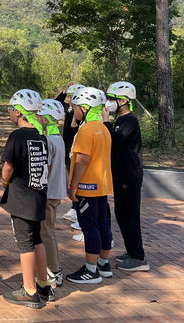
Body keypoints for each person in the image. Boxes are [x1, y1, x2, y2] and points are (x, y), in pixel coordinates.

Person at [0, 89, 52, 309]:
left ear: (19, 112)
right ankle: (43, 285)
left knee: (25, 243)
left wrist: (4, 183)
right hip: (38, 196)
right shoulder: (41, 136)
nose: (10, 113)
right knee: (37, 239)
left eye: (11, 109)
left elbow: (8, 167)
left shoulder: (17, 136)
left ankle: (29, 291)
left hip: (21, 200)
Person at [66, 87, 114, 285]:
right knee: (103, 223)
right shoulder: (103, 128)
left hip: (87, 186)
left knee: (90, 227)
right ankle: (103, 263)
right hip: (102, 185)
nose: (74, 110)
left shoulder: (86, 130)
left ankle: (91, 270)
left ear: (85, 108)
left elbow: (82, 161)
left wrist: (73, 186)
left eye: (76, 107)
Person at [103, 81, 149, 272]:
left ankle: (139, 258)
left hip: (129, 177)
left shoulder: (130, 121)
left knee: (130, 215)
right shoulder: (120, 120)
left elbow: (115, 140)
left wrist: (105, 122)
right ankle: (131, 251)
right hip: (121, 176)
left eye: (112, 99)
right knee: (121, 214)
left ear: (123, 100)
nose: (109, 102)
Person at [38, 99, 68, 288]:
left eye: (41, 115)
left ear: (48, 119)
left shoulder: (49, 141)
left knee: (46, 232)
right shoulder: (58, 138)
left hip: (49, 193)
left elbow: (45, 169)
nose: (38, 118)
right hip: (56, 191)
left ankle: (55, 271)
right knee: (47, 230)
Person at [56, 83, 84, 223]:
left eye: (71, 97)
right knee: (70, 179)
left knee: (75, 180)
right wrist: (64, 91)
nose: (69, 100)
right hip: (66, 149)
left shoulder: (80, 112)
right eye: (68, 96)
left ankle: (77, 208)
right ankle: (75, 207)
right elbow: (56, 103)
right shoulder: (69, 109)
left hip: (75, 151)